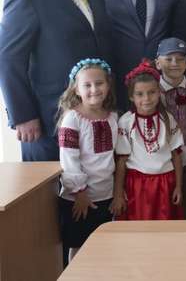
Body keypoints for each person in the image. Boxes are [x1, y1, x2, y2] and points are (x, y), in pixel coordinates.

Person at [0, 0, 114, 161]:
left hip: (95, 119)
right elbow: (8, 59)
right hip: (47, 123)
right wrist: (23, 115)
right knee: (50, 184)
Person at [56, 58, 117, 260]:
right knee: (78, 246)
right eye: (87, 85)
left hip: (105, 195)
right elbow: (69, 159)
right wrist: (80, 192)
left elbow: (114, 157)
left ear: (108, 85)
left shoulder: (113, 117)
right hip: (79, 199)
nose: (94, 89)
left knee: (104, 246)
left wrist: (117, 192)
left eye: (99, 83)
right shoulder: (72, 119)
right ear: (76, 89)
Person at [113, 60, 183, 220]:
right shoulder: (126, 122)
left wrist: (178, 187)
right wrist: (118, 193)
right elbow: (121, 160)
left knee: (165, 226)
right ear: (131, 96)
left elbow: (177, 155)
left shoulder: (168, 119)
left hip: (165, 183)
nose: (146, 98)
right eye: (140, 94)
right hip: (137, 185)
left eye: (152, 92)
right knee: (139, 227)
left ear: (159, 92)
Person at [155, 37, 186, 219]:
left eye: (180, 59)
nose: (174, 63)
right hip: (160, 165)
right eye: (168, 59)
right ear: (158, 63)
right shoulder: (151, 92)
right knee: (163, 213)